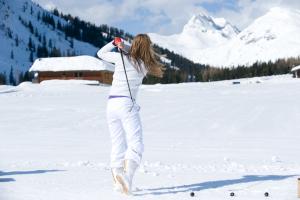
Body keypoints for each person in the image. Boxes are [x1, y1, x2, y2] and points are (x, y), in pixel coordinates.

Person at [97, 34, 164, 195]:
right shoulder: (145, 65)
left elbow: (101, 53)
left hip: (111, 103)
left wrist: (115, 43)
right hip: (127, 104)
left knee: (117, 143)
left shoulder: (120, 58)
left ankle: (118, 182)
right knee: (136, 143)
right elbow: (136, 55)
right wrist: (126, 47)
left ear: (133, 45)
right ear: (148, 48)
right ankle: (126, 177)